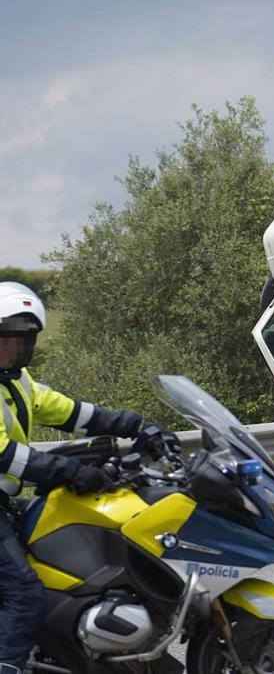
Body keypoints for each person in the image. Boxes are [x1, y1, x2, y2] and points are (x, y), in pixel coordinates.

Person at [0, 282, 150, 671]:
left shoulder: (18, 381)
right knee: (25, 592)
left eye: (24, 340)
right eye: (8, 339)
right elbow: (6, 456)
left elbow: (74, 413)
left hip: (4, 502)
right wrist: (72, 471)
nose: (16, 348)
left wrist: (135, 425)